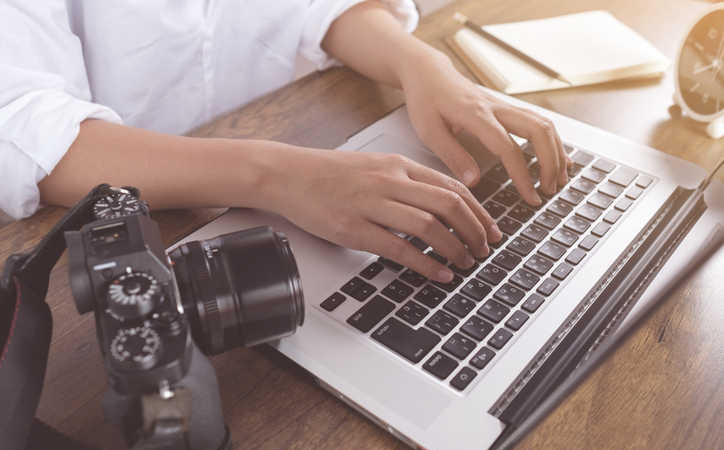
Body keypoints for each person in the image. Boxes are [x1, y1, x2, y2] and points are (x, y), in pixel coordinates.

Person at [0, 0, 571, 284]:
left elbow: (313, 8)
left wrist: (420, 62)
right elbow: (26, 127)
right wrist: (275, 175)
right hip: (129, 246)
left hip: (296, 157)